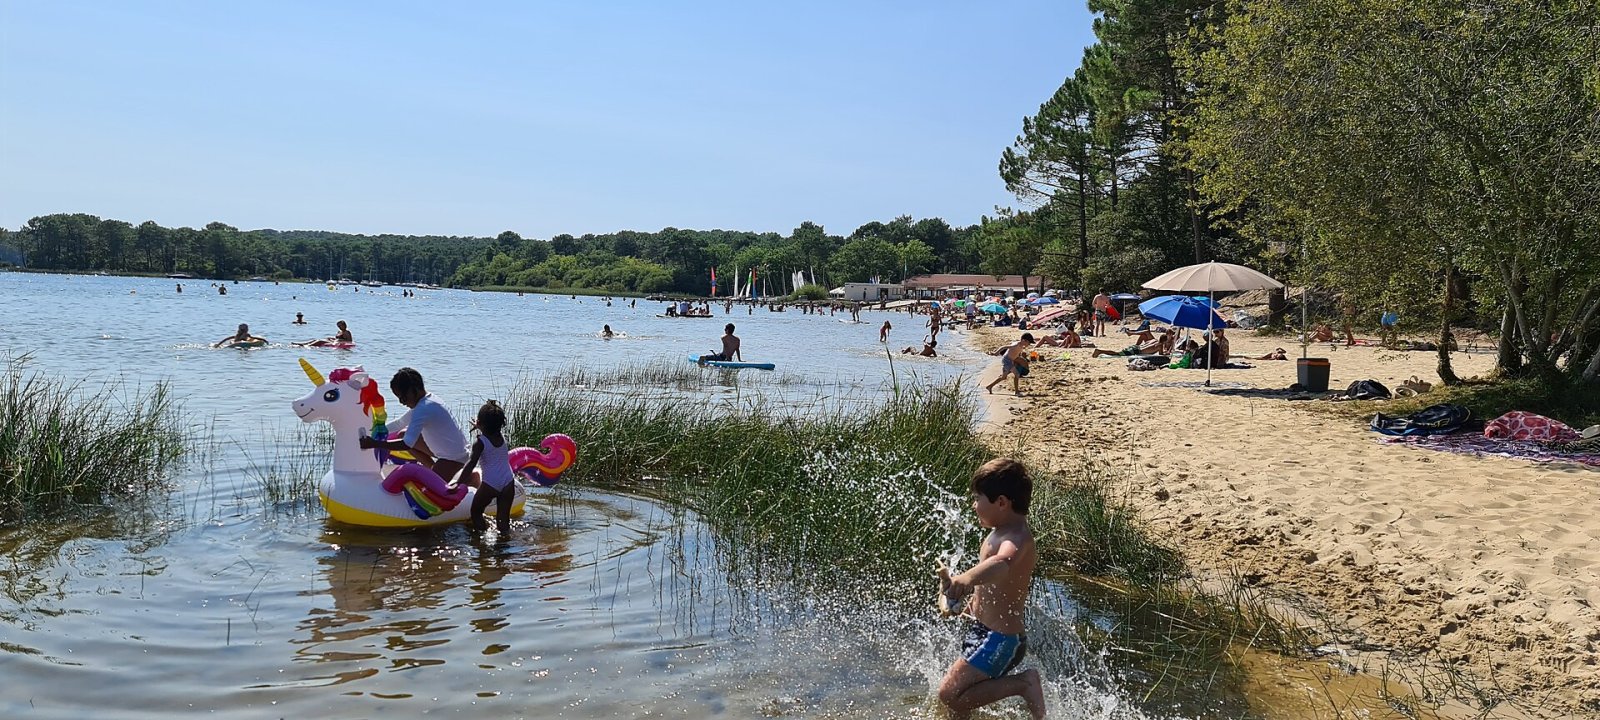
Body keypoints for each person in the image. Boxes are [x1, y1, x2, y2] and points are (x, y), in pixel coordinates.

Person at [936, 458, 1046, 720]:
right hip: (987, 633)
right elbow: (994, 584)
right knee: (960, 699)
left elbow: (1002, 564)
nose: (974, 506)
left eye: (977, 499)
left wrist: (966, 579)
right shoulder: (1001, 530)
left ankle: (1024, 684)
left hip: (1000, 640)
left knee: (948, 694)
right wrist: (972, 605)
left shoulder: (1016, 538)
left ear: (1001, 502)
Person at [361, 368, 472, 489]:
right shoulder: (427, 400)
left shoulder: (423, 408)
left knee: (428, 491)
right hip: (445, 450)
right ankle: (433, 470)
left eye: (403, 397)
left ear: (414, 389)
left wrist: (375, 443)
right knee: (403, 434)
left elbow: (407, 444)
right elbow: (399, 423)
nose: (401, 402)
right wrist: (372, 431)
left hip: (453, 457)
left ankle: (471, 479)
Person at [456, 400, 515, 535]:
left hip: (490, 484)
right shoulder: (501, 437)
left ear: (480, 423)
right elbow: (491, 430)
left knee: (476, 512)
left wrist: (458, 483)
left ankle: (482, 539)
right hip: (508, 482)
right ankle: (504, 546)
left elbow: (471, 464)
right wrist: (481, 426)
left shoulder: (480, 443)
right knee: (503, 520)